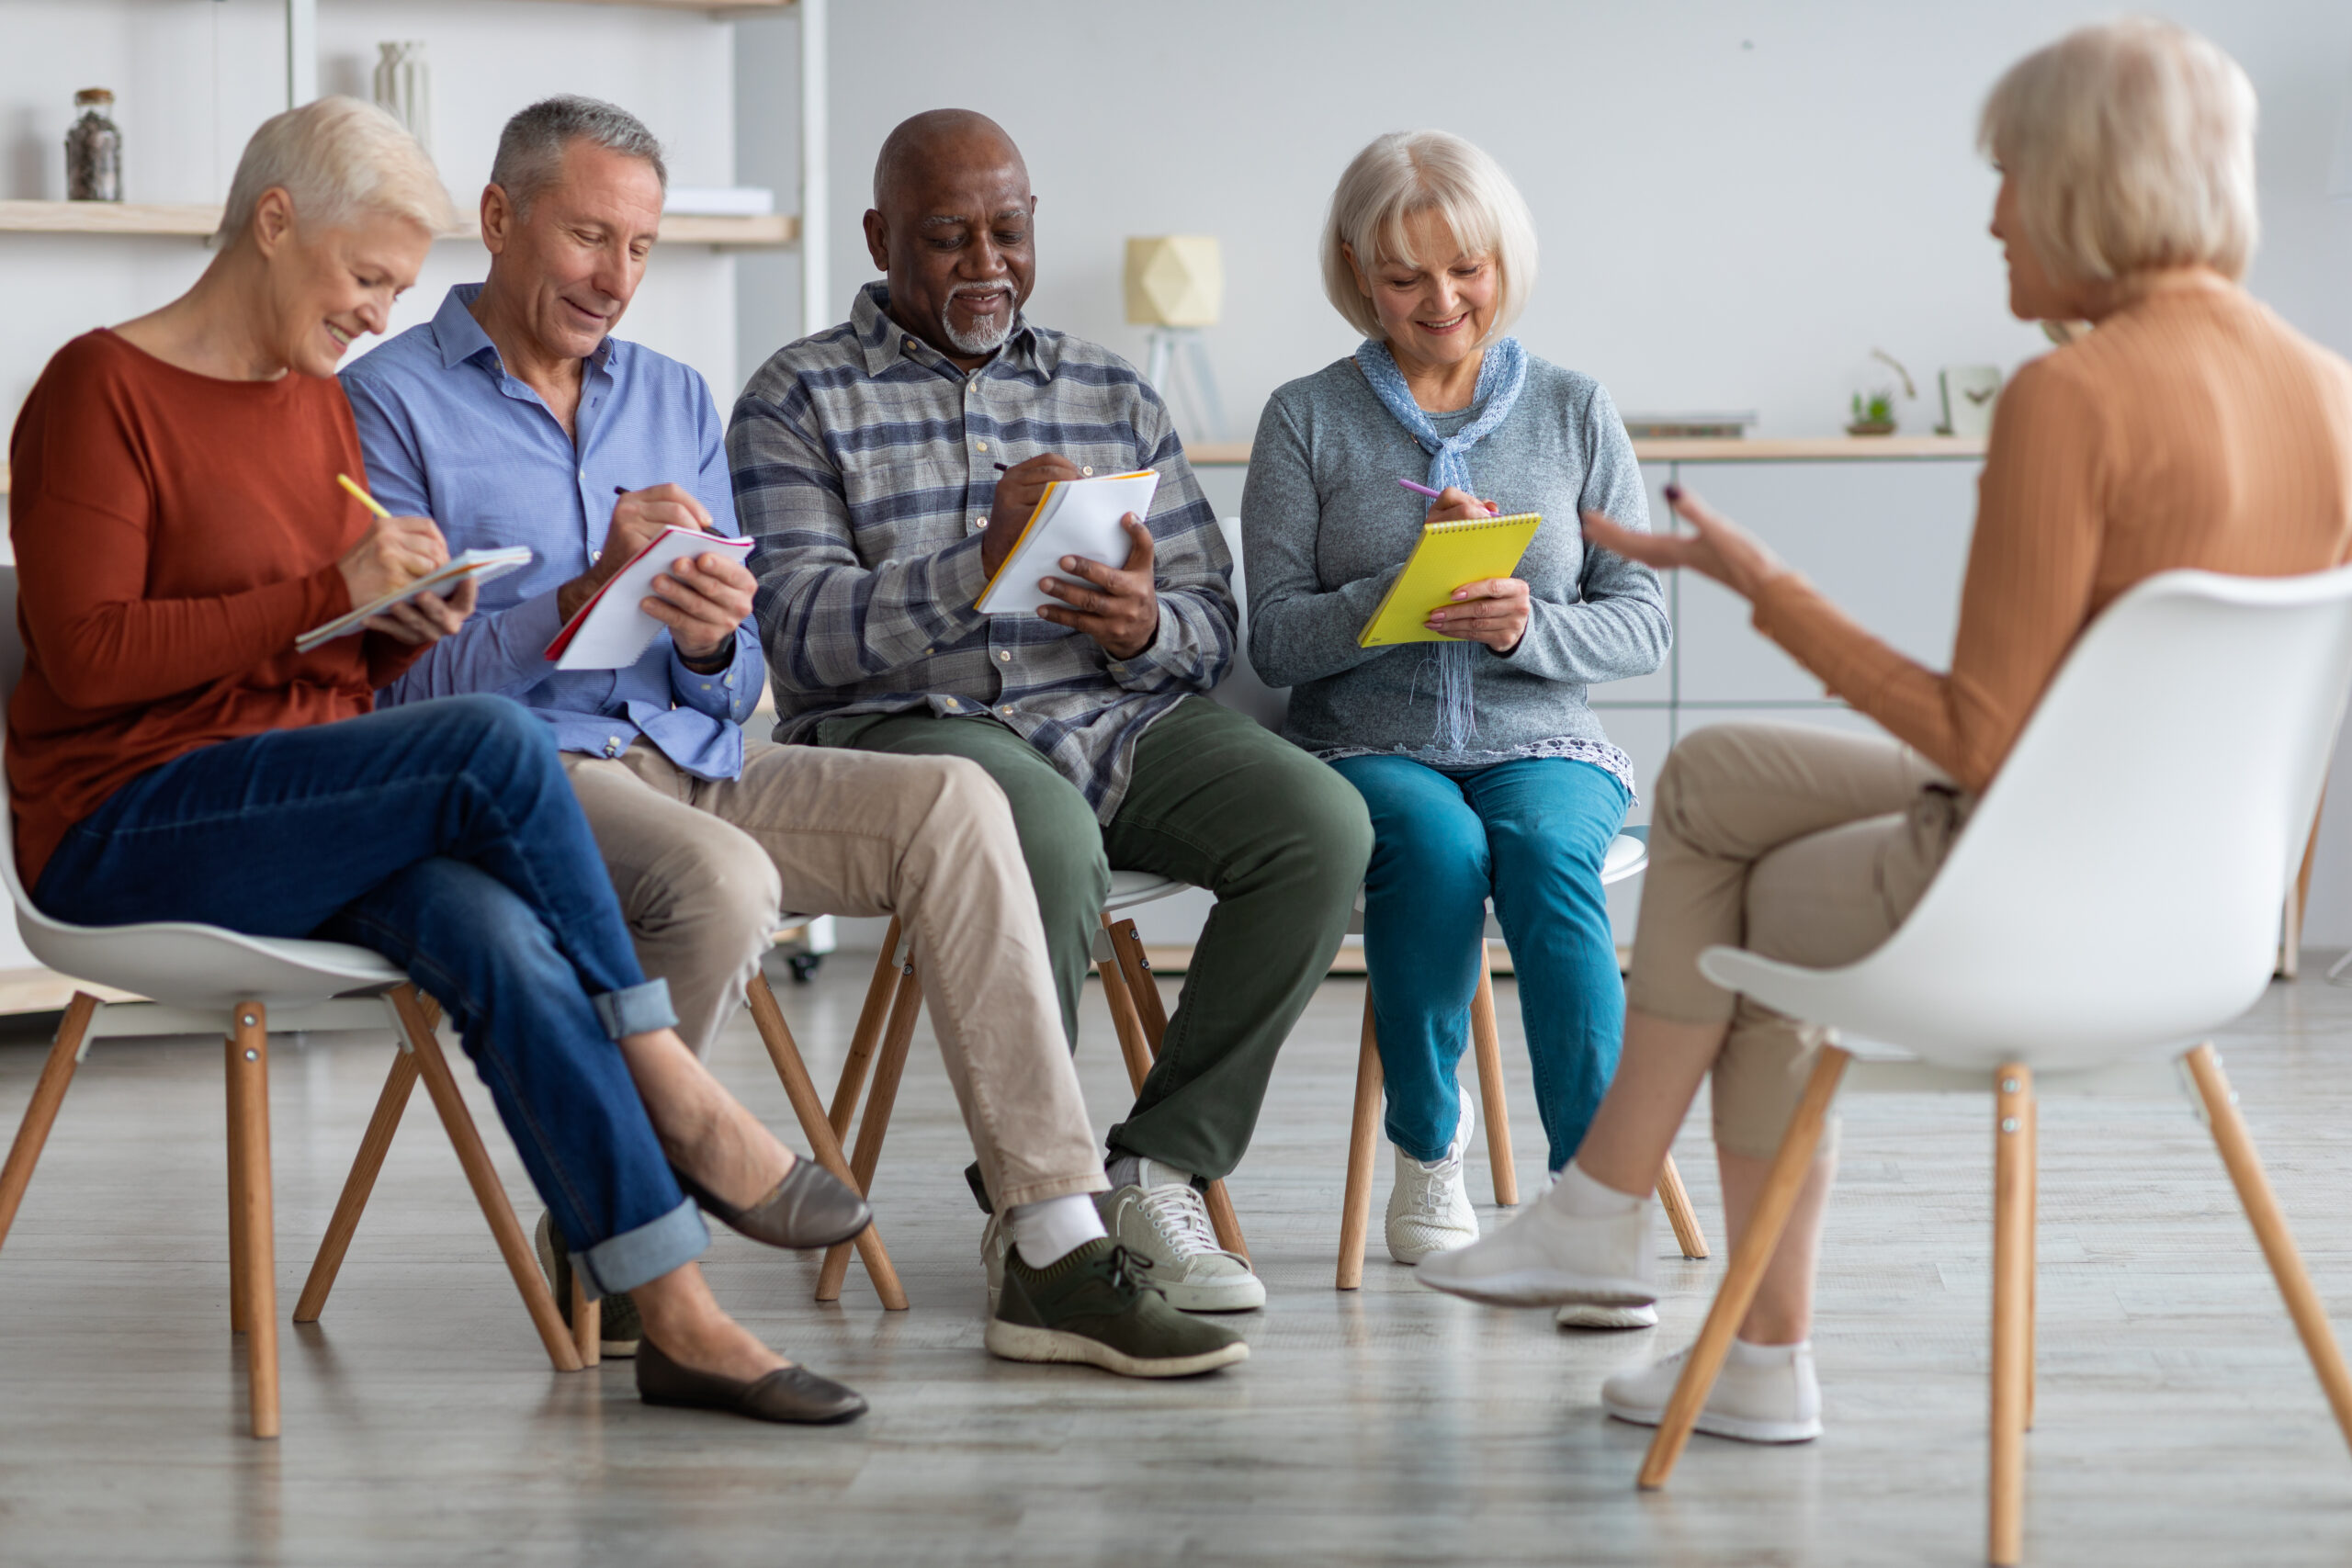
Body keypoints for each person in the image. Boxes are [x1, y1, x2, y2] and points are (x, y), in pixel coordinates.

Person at [1417, 18, 2352, 1445]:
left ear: (2093, 179)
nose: (1989, 215)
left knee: (1742, 911)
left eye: (2013, 174)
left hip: (2033, 891)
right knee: (1716, 774)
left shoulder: (2073, 396)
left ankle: (1699, 1296)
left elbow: (1980, 740)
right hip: (2205, 905)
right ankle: (1622, 1230)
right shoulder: (2333, 390)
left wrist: (1765, 590)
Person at [3, 97, 894, 1425]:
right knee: (487, 737)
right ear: (274, 221)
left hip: (297, 796)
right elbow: (81, 656)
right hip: (123, 822)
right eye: (366, 278)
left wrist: (386, 626)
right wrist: (322, 597)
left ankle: (675, 1312)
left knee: (496, 932)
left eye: (397, 290)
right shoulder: (100, 388)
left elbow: (323, 659)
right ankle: (675, 1086)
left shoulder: (310, 411)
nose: (378, 316)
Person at [344, 96, 1240, 1381]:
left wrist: (711, 643)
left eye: (642, 246)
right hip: (512, 776)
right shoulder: (388, 403)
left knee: (954, 805)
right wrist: (575, 596)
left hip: (689, 755)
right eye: (590, 236)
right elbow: (390, 683)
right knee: (723, 880)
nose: (617, 277)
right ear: (498, 220)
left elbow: (741, 671)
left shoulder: (669, 396)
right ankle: (626, 1216)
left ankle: (1050, 1235)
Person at [733, 109, 1374, 1313]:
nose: (987, 264)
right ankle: (1047, 1208)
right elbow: (797, 636)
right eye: (947, 236)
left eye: (1009, 232)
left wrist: (1143, 624)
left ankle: (1158, 1164)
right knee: (1042, 830)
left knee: (1323, 825)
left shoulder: (1110, 389)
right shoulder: (798, 397)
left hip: (1114, 714)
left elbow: (1207, 615)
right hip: (912, 725)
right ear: (877, 238)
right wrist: (975, 563)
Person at [1243, 130, 1668, 1312]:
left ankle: (1597, 1203)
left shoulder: (1578, 412)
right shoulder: (1305, 421)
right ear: (1355, 272)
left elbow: (1641, 624)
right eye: (1404, 278)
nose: (1442, 303)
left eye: (1466, 269)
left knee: (1539, 854)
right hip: (1368, 744)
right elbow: (1272, 638)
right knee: (1432, 852)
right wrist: (1396, 601)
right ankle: (1431, 1151)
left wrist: (1525, 626)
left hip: (1543, 737)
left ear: (1503, 260)